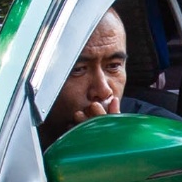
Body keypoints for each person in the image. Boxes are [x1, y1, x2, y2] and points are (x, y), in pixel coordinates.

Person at [45, 11, 135, 141]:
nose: (104, 91)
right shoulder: (9, 130)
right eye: (78, 69)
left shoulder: (153, 137)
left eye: (113, 66)